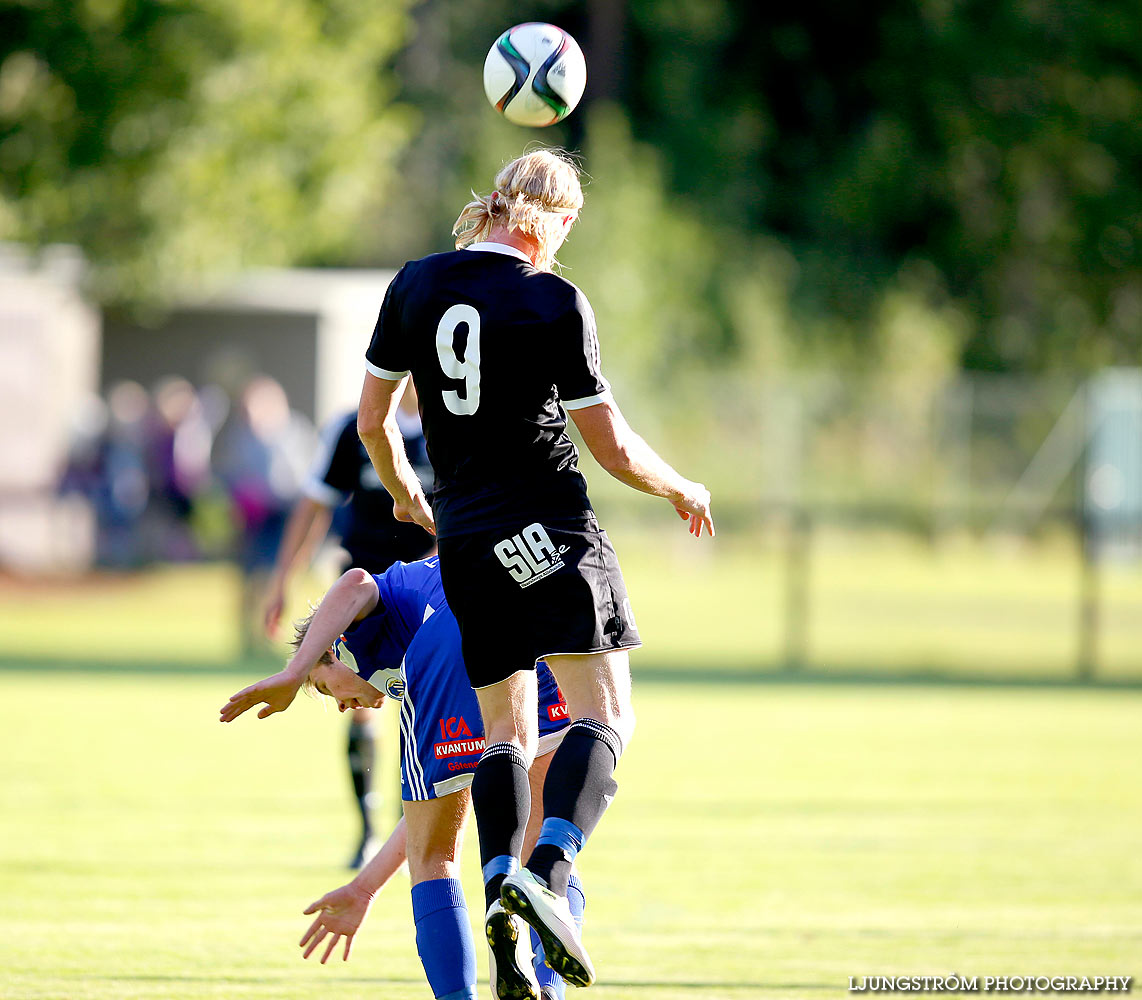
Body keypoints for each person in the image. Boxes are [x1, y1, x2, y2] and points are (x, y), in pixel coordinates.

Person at [355, 148, 715, 991]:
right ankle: (546, 876)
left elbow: (375, 422)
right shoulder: (553, 298)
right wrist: (681, 486)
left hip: (466, 542)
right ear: (545, 219)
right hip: (547, 529)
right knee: (606, 715)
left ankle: (497, 899)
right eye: (570, 223)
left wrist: (412, 501)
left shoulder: (413, 283)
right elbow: (612, 447)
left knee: (505, 733)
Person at [220, 557, 583, 1000]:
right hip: (530, 623)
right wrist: (364, 887)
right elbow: (432, 806)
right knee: (537, 838)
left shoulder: (361, 627)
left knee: (434, 856)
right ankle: (550, 988)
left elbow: (353, 581)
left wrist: (295, 670)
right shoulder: (410, 611)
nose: (338, 705)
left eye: (324, 686)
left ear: (333, 648)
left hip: (456, 630)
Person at [262, 381, 434, 868]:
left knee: (426, 700)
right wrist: (281, 580)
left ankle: (429, 821)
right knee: (361, 701)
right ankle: (367, 829)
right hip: (361, 595)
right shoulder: (355, 427)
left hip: (427, 586)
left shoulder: (453, 424)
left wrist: (436, 568)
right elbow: (316, 503)